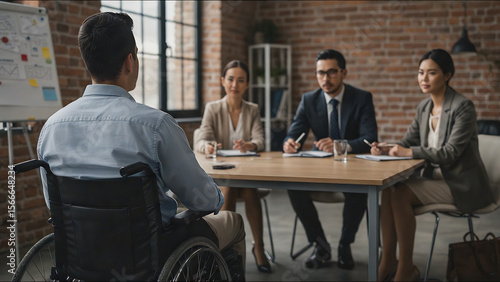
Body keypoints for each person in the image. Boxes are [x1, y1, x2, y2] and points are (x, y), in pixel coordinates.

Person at [37, 12, 246, 280]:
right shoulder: (155, 126)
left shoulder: (51, 128)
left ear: (87, 62)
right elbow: (200, 200)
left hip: (84, 253)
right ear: (129, 61)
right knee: (233, 222)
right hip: (150, 255)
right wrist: (216, 197)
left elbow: (54, 206)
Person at [371, 49, 494, 281]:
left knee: (399, 195)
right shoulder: (423, 107)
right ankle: (387, 262)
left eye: (431, 73)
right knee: (388, 187)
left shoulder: (463, 107)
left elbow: (449, 153)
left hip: (459, 183)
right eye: (420, 73)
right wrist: (387, 148)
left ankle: (405, 269)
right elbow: (408, 141)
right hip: (434, 179)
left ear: (447, 75)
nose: (424, 79)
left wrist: (408, 151)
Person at [283, 49, 378, 269]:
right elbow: (294, 131)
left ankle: (345, 244)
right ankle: (320, 246)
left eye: (331, 72)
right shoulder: (309, 100)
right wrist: (289, 142)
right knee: (294, 187)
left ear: (343, 72)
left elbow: (370, 138)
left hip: (351, 169)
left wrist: (341, 145)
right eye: (320, 73)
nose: (325, 79)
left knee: (359, 190)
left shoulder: (361, 98)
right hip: (319, 171)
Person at [194, 60, 271, 273]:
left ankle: (257, 249)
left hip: (247, 174)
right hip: (223, 175)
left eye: (240, 80)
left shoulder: (252, 109)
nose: (234, 84)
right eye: (230, 79)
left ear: (247, 84)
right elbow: (200, 140)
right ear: (222, 81)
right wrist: (208, 146)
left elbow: (261, 140)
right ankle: (229, 250)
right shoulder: (213, 108)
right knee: (230, 186)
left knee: (248, 188)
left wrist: (250, 145)